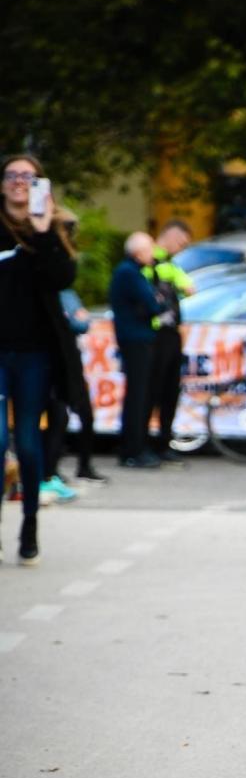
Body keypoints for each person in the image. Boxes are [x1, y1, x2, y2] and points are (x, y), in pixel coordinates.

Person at [0, 153, 77, 564]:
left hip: (34, 354)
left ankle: (29, 525)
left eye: (28, 177)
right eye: (11, 175)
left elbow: (62, 278)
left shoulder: (54, 228)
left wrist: (44, 230)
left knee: (29, 443)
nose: (18, 182)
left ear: (40, 185)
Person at [40, 288, 107, 501]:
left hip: (67, 360)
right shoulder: (48, 292)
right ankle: (48, 474)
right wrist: (74, 319)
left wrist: (75, 320)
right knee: (58, 417)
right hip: (51, 361)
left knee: (79, 414)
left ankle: (71, 469)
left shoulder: (66, 293)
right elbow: (77, 322)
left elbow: (81, 323)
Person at [109, 232, 166, 468]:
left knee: (140, 395)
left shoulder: (131, 272)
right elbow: (153, 303)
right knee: (137, 396)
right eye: (150, 249)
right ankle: (133, 449)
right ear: (139, 252)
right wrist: (157, 300)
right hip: (136, 340)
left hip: (136, 338)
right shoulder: (129, 273)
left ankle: (135, 446)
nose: (153, 254)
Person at [144, 220, 195, 463]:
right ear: (171, 235)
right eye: (181, 243)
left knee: (169, 391)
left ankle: (163, 442)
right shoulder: (151, 261)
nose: (181, 249)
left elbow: (189, 287)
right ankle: (147, 443)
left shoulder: (169, 264)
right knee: (153, 391)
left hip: (171, 333)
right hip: (157, 334)